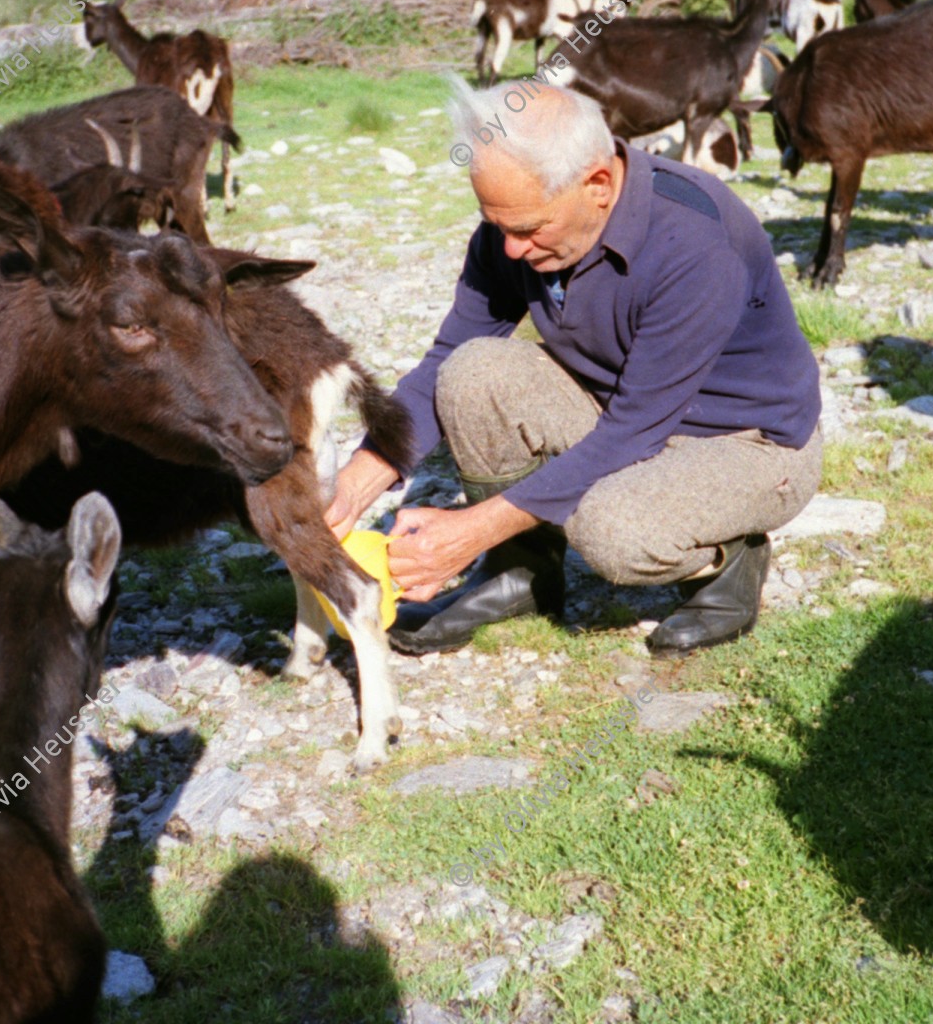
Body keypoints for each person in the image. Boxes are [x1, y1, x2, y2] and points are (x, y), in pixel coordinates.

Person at [323, 80, 822, 657]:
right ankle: (519, 575)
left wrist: (469, 531)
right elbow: (440, 365)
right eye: (497, 224)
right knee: (472, 372)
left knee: (610, 529)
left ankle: (731, 561)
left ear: (599, 185)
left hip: (748, 443)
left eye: (529, 229)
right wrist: (356, 484)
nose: (511, 250)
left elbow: (633, 429)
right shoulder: (515, 229)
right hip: (621, 405)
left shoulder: (695, 243)